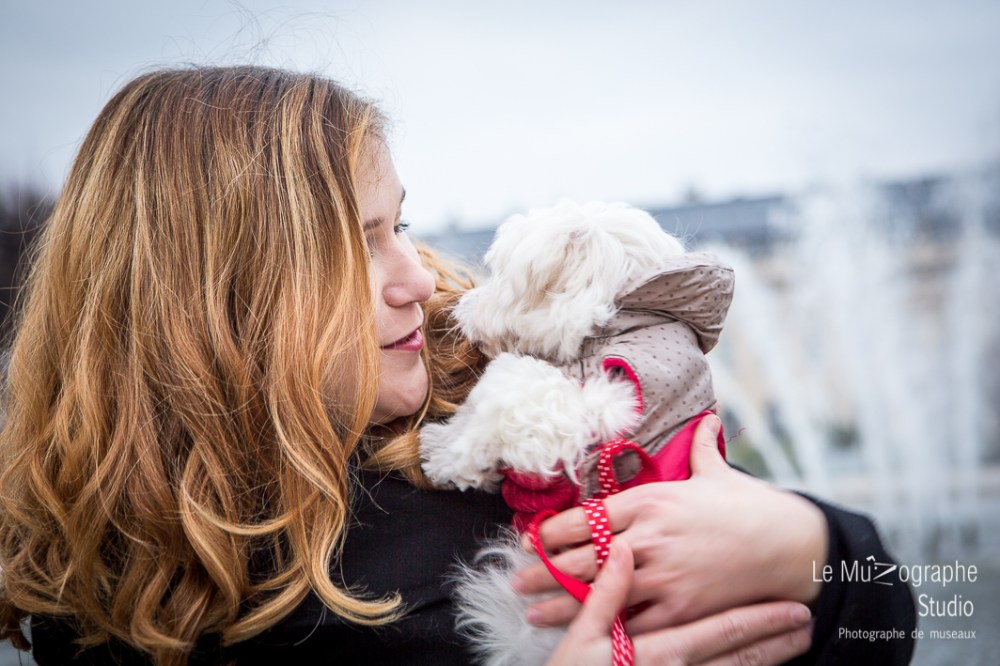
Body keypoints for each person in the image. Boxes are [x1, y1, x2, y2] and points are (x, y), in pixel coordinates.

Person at [0, 65, 913, 665]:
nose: (415, 280)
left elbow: (886, 619)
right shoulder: (98, 592)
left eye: (398, 224)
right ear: (211, 297)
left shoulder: (517, 431)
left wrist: (814, 551)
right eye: (357, 244)